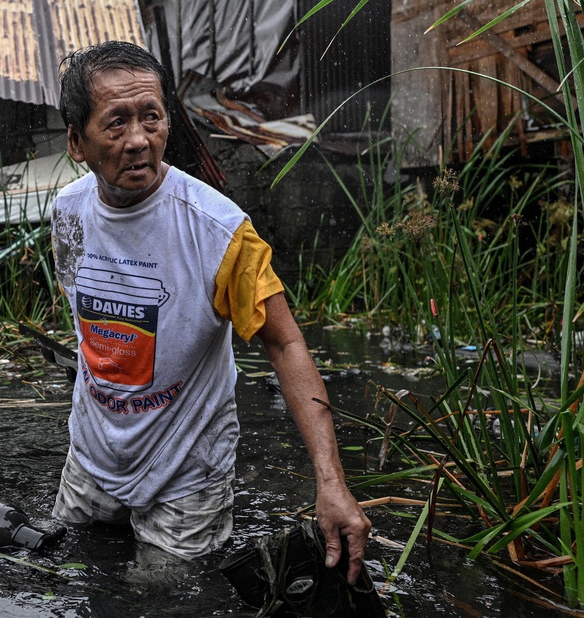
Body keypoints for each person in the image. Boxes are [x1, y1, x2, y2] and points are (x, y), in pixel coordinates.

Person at [49, 40, 371, 584]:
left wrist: (331, 482)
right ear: (77, 142)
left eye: (151, 117)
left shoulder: (219, 232)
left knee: (160, 599)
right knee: (70, 575)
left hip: (186, 474)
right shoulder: (68, 213)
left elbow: (286, 343)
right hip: (91, 458)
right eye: (116, 123)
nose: (138, 140)